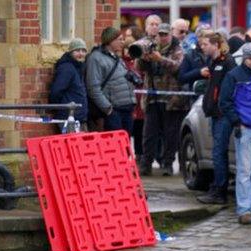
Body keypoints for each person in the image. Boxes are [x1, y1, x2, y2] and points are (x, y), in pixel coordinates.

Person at [218, 45, 251, 225]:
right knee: (244, 171)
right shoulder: (234, 76)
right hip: (245, 128)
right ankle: (243, 210)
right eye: (250, 58)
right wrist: (236, 122)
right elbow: (224, 102)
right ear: (244, 59)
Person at [136, 23, 186, 176]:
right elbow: (139, 67)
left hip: (171, 98)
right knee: (149, 133)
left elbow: (178, 67)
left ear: (170, 34)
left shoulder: (177, 49)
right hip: (152, 97)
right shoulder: (151, 46)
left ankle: (168, 164)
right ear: (156, 35)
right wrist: (143, 58)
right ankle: (146, 163)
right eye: (160, 34)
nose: (162, 37)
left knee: (170, 134)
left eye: (165, 34)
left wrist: (160, 59)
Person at [196, 31, 237, 205]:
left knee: (219, 152)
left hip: (222, 115)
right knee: (216, 152)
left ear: (216, 45)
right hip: (215, 113)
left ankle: (220, 190)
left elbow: (229, 90)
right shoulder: (214, 62)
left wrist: (222, 107)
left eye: (205, 44)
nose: (202, 47)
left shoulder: (227, 62)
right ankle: (217, 186)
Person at [87, 27, 136, 134]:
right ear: (110, 40)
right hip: (114, 110)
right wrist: (108, 109)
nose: (123, 42)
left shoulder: (117, 56)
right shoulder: (95, 58)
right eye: (120, 39)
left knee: (125, 144)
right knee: (115, 144)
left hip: (127, 108)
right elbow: (93, 88)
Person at [50, 38, 89, 133]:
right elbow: (56, 91)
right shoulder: (67, 68)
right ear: (71, 52)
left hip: (78, 117)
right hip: (68, 117)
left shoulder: (78, 67)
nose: (81, 53)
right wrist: (61, 108)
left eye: (83, 51)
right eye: (77, 50)